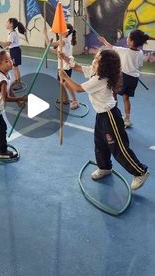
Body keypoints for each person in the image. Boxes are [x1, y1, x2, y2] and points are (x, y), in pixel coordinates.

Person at [59, 49, 149, 191]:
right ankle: (105, 167)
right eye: (95, 58)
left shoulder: (100, 79)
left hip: (110, 117)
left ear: (105, 67)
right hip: (101, 115)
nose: (94, 61)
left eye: (97, 61)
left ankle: (140, 171)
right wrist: (66, 59)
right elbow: (78, 67)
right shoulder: (96, 72)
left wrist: (65, 77)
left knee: (118, 148)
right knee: (100, 142)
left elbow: (77, 88)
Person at [98, 30, 149, 128]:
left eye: (128, 38)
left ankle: (114, 116)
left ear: (132, 41)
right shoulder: (141, 53)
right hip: (133, 79)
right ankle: (127, 119)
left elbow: (110, 47)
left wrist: (104, 41)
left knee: (113, 94)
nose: (127, 39)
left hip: (123, 77)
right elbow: (139, 65)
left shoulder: (124, 51)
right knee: (126, 98)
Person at [50, 23, 79, 110]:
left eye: (61, 29)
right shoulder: (62, 40)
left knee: (66, 84)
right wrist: (49, 49)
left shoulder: (64, 40)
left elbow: (53, 44)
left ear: (66, 32)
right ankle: (65, 99)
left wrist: (46, 36)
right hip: (61, 66)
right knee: (61, 83)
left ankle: (75, 101)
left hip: (65, 66)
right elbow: (56, 51)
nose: (59, 30)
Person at [0, 18, 26, 90]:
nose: (6, 24)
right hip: (13, 50)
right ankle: (17, 82)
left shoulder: (12, 34)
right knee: (15, 67)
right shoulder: (11, 33)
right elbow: (9, 45)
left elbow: (6, 44)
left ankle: (19, 84)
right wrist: (6, 48)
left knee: (15, 68)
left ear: (11, 24)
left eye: (7, 22)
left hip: (15, 51)